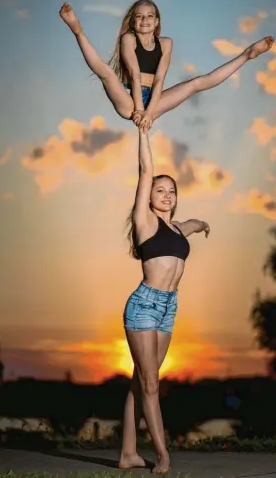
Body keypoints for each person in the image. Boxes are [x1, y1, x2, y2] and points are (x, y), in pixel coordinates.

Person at [118, 128, 210, 474]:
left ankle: (128, 453)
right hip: (144, 305)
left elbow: (191, 222)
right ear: (149, 197)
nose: (167, 195)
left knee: (140, 380)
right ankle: (163, 455)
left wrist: (203, 224)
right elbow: (145, 171)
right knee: (150, 384)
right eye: (160, 190)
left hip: (169, 308)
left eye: (172, 191)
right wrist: (144, 133)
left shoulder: (175, 229)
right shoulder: (145, 222)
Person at [59, 0, 274, 132]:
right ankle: (77, 29)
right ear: (133, 21)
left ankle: (247, 55)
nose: (145, 20)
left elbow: (160, 78)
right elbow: (134, 73)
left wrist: (150, 113)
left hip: (153, 100)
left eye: (150, 15)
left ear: (157, 21)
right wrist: (139, 112)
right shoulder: (128, 39)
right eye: (139, 16)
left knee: (196, 83)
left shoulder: (166, 43)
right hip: (128, 100)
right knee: (106, 73)